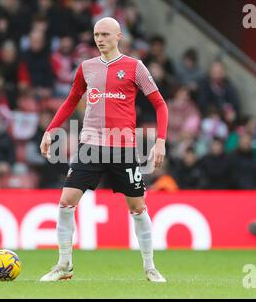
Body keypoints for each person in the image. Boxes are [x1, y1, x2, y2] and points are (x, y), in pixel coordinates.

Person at [39, 17, 168, 282]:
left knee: (137, 208)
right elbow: (71, 100)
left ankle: (149, 266)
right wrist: (51, 130)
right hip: (90, 146)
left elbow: (160, 105)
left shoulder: (135, 67)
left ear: (118, 36)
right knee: (65, 202)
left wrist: (160, 141)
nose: (100, 39)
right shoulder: (86, 67)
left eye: (106, 34)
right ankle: (64, 265)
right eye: (97, 34)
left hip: (123, 148)